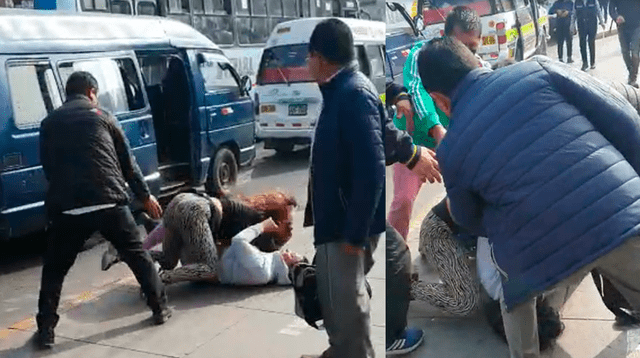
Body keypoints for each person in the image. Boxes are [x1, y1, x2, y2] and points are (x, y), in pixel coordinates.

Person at [417, 36, 640, 358]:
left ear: (440, 100)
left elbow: (468, 219)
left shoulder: (451, 149)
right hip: (619, 217)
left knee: (516, 299)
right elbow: (626, 122)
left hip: (534, 255)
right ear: (477, 62)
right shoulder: (539, 70)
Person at [36, 71, 170, 349]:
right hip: (109, 202)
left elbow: (48, 167)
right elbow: (127, 164)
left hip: (68, 209)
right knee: (138, 256)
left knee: (54, 271)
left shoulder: (49, 123)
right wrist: (144, 197)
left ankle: (46, 331)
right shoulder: (104, 117)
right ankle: (159, 309)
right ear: (91, 92)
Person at [301, 18, 385, 358]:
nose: (306, 64)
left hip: (343, 232)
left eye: (308, 57)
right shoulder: (343, 91)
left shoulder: (352, 95)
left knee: (348, 324)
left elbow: (371, 169)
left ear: (320, 59)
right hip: (338, 227)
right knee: (340, 312)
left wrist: (354, 234)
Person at [388, 5, 488, 241]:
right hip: (415, 142)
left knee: (470, 195)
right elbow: (417, 90)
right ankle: (396, 259)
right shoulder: (421, 54)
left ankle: (457, 242)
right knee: (403, 201)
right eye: (458, 45)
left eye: (471, 48)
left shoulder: (477, 64)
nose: (463, 54)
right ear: (444, 37)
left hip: (452, 141)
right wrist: (436, 128)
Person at [102, 190, 298, 285]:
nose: (289, 226)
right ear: (276, 217)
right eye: (288, 222)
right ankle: (159, 279)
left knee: (170, 260)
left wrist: (143, 245)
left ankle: (123, 252)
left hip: (182, 200)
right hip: (196, 210)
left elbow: (170, 223)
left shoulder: (247, 210)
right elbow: (239, 247)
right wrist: (270, 232)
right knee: (209, 267)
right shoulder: (255, 222)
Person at [609, 0, 640, 87]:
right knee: (625, 52)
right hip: (622, 26)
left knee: (635, 51)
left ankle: (633, 78)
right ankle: (631, 71)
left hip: (637, 26)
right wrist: (616, 17)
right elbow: (611, 9)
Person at [575, 0, 605, 71]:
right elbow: (574, 14)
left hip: (592, 24)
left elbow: (598, 11)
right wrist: (572, 25)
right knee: (582, 43)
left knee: (591, 42)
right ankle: (585, 63)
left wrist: (602, 22)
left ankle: (592, 62)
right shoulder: (577, 2)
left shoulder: (594, 1)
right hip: (581, 24)